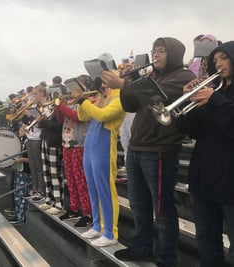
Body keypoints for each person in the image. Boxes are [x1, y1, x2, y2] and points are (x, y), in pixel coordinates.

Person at [102, 37, 196, 266]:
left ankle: (166, 259)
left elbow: (158, 93)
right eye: (154, 51)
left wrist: (125, 83)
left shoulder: (183, 76)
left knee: (162, 210)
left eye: (161, 51)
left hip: (161, 150)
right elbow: (131, 105)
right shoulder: (152, 77)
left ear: (173, 54)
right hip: (137, 148)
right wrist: (129, 80)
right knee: (138, 204)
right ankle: (142, 248)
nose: (155, 55)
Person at [177, 41, 234, 267]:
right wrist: (187, 103)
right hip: (206, 176)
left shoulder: (215, 95)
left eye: (224, 57)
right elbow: (195, 131)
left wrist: (214, 99)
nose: (218, 63)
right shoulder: (215, 90)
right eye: (215, 60)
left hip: (230, 180)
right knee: (206, 239)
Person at [77, 53, 126, 247]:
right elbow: (82, 116)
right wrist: (82, 101)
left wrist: (84, 102)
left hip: (105, 145)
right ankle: (97, 225)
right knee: (92, 187)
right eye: (102, 82)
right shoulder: (101, 98)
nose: (102, 85)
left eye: (106, 82)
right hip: (90, 144)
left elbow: (103, 115)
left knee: (106, 189)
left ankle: (111, 232)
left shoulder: (120, 98)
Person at [55, 75, 92, 227]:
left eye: (76, 87)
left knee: (80, 180)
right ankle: (74, 208)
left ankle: (88, 213)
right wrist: (58, 106)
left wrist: (62, 106)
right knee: (70, 178)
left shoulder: (87, 100)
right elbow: (59, 119)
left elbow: (78, 117)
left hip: (79, 144)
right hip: (67, 143)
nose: (72, 91)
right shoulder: (70, 101)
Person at [35, 82, 64, 215]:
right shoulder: (48, 108)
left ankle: (58, 203)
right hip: (45, 140)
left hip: (54, 142)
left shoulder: (58, 108)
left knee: (54, 172)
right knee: (46, 171)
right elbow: (46, 125)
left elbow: (59, 126)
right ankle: (49, 198)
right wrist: (40, 122)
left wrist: (44, 122)